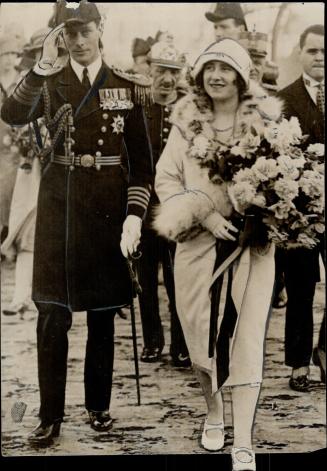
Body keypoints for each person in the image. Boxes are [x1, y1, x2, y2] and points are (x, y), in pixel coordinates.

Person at [1, 0, 153, 445]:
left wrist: (134, 215)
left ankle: (99, 407)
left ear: (100, 28)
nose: (78, 41)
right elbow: (11, 114)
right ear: (60, 35)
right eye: (70, 32)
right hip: (58, 209)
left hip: (106, 212)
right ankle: (49, 416)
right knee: (51, 314)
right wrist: (41, 68)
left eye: (85, 30)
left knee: (103, 314)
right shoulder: (49, 80)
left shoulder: (127, 86)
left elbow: (142, 164)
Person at [154, 39, 280, 469]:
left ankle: (243, 437)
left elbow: (285, 177)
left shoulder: (265, 122)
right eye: (209, 68)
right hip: (197, 245)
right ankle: (213, 412)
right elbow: (166, 180)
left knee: (244, 337)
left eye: (226, 69)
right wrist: (203, 213)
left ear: (243, 77)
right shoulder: (186, 122)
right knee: (200, 336)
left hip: (250, 247)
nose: (217, 76)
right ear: (199, 75)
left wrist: (262, 209)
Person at [2, 28, 65, 318]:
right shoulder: (28, 85)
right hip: (33, 169)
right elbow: (15, 120)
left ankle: (61, 293)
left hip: (63, 169)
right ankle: (21, 294)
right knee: (28, 229)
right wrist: (28, 140)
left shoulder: (70, 83)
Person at [137, 40, 190, 367]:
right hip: (143, 207)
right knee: (144, 279)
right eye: (161, 71)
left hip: (176, 207)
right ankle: (152, 342)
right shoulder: (138, 106)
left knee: (177, 278)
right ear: (149, 70)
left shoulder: (188, 110)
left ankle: (181, 345)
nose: (167, 79)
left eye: (173, 72)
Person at [278, 24, 325, 392]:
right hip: (301, 210)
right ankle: (298, 363)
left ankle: (325, 350)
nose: (320, 58)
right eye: (312, 51)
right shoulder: (285, 99)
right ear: (300, 53)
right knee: (302, 286)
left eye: (325, 51)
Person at [238, 31, 287, 309]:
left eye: (259, 57)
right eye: (250, 57)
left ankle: (275, 285)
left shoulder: (271, 94)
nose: (254, 64)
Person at [0, 35, 21, 244]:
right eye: (5, 54)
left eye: (13, 55)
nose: (8, 59)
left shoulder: (20, 80)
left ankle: (9, 239)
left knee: (12, 192)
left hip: (16, 147)